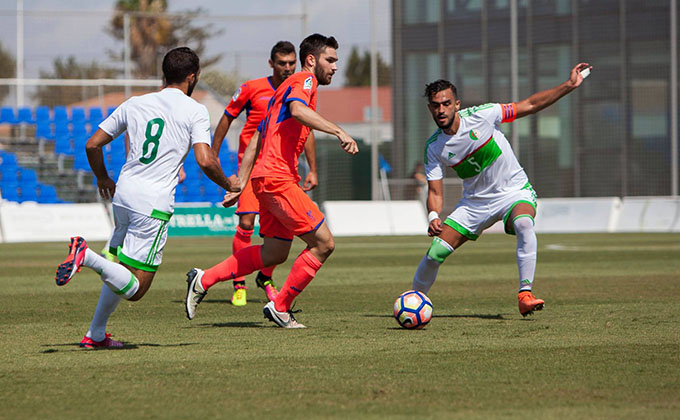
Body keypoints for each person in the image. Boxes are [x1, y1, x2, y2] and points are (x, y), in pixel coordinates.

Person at [54, 47, 239, 348]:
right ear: (193, 77)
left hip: (123, 196)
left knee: (120, 270)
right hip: (151, 205)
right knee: (137, 288)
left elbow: (92, 145)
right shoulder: (195, 110)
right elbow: (205, 160)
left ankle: (96, 334)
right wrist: (228, 184)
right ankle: (86, 256)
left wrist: (103, 177)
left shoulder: (136, 103)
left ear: (164, 74)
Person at [184, 33, 359, 328]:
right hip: (278, 179)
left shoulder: (281, 90)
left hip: (267, 178)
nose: (335, 67)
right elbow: (298, 111)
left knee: (275, 251)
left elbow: (256, 137)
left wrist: (241, 181)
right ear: (312, 60)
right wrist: (339, 131)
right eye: (330, 60)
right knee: (324, 244)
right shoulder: (305, 81)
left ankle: (204, 279)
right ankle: (280, 306)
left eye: (336, 61)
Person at [412, 62, 592, 317]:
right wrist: (433, 216)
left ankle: (525, 294)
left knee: (524, 224)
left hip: (514, 192)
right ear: (430, 107)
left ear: (457, 104)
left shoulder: (483, 114)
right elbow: (435, 192)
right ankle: (413, 301)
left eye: (446, 104)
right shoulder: (434, 147)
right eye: (435, 105)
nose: (441, 110)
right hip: (474, 203)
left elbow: (529, 105)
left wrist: (568, 86)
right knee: (434, 253)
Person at [212, 41, 318, 307]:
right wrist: (213, 153)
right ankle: (239, 284)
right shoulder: (251, 88)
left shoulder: (296, 89)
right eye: (282, 63)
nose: (287, 68)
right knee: (247, 223)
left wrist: (313, 168)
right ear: (271, 63)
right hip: (253, 169)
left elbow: (307, 129)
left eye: (291, 63)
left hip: (282, 172)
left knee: (281, 239)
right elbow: (227, 117)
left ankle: (265, 277)